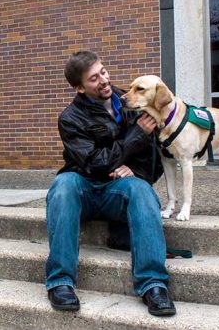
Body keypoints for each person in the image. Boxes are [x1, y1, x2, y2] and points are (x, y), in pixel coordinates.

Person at [45, 50, 176, 316]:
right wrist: (136, 135)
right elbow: (94, 162)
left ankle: (154, 284)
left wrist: (135, 170)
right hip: (83, 187)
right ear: (80, 88)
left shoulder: (132, 102)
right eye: (94, 79)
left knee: (141, 189)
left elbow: (154, 156)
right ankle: (60, 281)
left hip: (118, 191)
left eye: (103, 71)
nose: (104, 80)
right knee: (62, 186)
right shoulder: (70, 119)